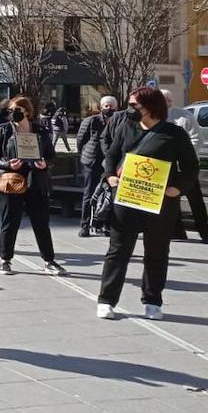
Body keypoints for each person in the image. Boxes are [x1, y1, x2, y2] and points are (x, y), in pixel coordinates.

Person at [97, 87, 201, 320]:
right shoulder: (126, 127)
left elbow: (191, 166)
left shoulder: (174, 134)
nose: (130, 109)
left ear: (151, 107)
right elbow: (112, 154)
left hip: (160, 201)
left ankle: (152, 301)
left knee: (157, 251)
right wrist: (109, 176)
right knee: (118, 250)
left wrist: (178, 189)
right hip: (126, 198)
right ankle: (106, 300)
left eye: (135, 105)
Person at [0, 96, 66, 276]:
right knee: (11, 220)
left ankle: (49, 260)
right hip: (11, 179)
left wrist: (45, 163)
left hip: (35, 179)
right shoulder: (4, 130)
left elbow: (51, 155)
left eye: (17, 111)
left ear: (27, 112)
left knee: (40, 222)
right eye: (10, 111)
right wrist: (6, 164)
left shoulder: (39, 130)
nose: (13, 114)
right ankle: (5, 259)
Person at [162, 91, 208, 243]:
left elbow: (197, 138)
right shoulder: (155, 116)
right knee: (170, 199)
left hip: (185, 167)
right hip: (166, 167)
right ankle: (178, 231)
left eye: (164, 100)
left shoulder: (183, 116)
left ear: (170, 101)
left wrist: (185, 156)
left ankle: (204, 232)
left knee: (195, 200)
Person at [76, 95, 118, 237]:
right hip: (92, 161)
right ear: (101, 107)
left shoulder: (118, 122)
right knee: (89, 194)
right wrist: (85, 155)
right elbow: (80, 140)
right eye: (106, 105)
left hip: (110, 163)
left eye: (112, 106)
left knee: (109, 195)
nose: (109, 108)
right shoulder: (91, 121)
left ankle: (106, 226)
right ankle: (85, 225)